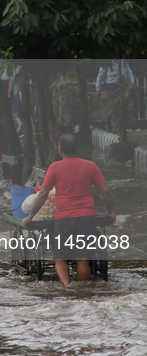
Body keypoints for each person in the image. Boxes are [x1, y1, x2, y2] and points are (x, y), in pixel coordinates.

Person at [22, 134, 116, 287]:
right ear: (77, 149)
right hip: (86, 217)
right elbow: (105, 192)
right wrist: (110, 211)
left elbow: (43, 194)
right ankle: (82, 292)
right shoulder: (91, 166)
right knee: (82, 259)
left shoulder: (54, 167)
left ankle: (67, 289)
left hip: (64, 218)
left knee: (60, 258)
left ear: (60, 150)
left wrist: (30, 216)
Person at [95, 60, 135, 132]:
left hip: (122, 86)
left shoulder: (123, 61)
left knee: (123, 105)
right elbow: (100, 76)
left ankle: (121, 126)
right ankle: (109, 125)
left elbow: (129, 72)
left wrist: (132, 81)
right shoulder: (107, 62)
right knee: (112, 105)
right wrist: (98, 89)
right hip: (111, 86)